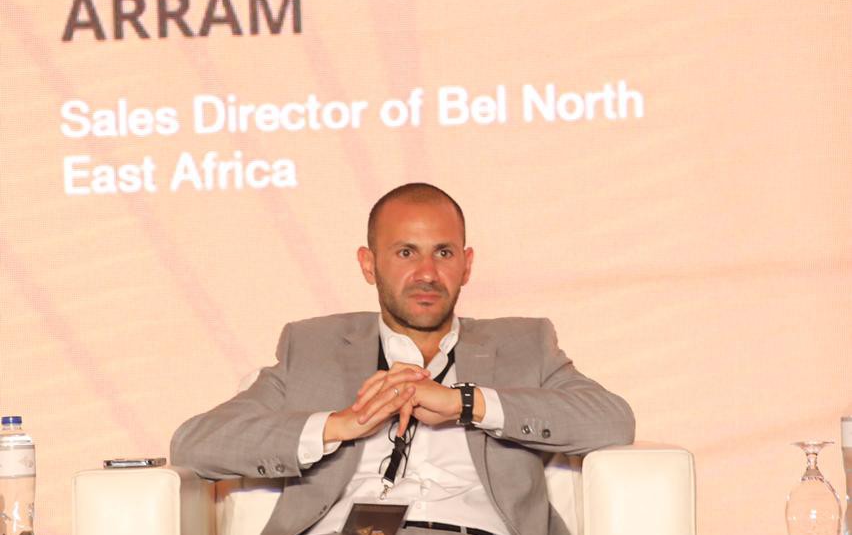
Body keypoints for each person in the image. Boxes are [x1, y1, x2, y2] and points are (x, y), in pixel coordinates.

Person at [171, 183, 635, 535]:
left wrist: (467, 403)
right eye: (406, 252)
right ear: (368, 264)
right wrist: (339, 425)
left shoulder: (524, 343)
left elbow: (612, 420)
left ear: (466, 265)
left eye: (444, 253)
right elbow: (196, 444)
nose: (427, 273)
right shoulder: (313, 346)